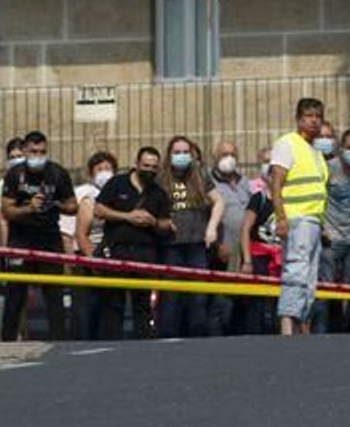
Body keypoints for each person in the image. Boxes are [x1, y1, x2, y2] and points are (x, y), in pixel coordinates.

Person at [0, 131, 78, 341]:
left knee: (54, 294)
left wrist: (56, 203)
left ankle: (58, 342)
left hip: (49, 238)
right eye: (34, 152)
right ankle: (7, 340)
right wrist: (29, 208)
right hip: (21, 239)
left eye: (42, 152)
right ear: (25, 151)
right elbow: (7, 211)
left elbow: (73, 206)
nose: (38, 156)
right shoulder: (15, 174)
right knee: (15, 295)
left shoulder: (58, 173)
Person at [94, 146, 173, 340]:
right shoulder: (117, 183)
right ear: (136, 164)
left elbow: (167, 224)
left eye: (154, 167)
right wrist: (127, 216)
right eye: (146, 166)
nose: (150, 170)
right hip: (117, 250)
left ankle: (143, 345)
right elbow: (99, 210)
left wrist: (153, 222)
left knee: (143, 305)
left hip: (145, 253)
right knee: (113, 304)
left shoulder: (158, 192)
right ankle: (111, 344)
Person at [268, 98, 330, 336]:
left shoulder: (316, 152)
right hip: (297, 219)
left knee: (309, 279)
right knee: (296, 271)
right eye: (309, 116)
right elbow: (276, 183)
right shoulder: (288, 143)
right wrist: (281, 218)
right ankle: (287, 326)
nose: (314, 121)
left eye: (318, 116)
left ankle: (302, 326)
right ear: (298, 119)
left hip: (313, 221)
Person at [159, 135, 224, 338]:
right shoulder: (160, 178)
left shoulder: (200, 175)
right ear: (169, 155)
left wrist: (212, 228)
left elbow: (219, 202)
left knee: (199, 295)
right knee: (171, 296)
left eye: (186, 152)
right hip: (171, 244)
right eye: (177, 152)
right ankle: (169, 337)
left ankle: (197, 335)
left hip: (197, 244)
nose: (182, 156)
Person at [316, 127, 350, 332]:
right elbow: (317, 198)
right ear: (340, 148)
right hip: (331, 236)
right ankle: (319, 335)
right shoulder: (328, 168)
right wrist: (321, 227)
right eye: (349, 148)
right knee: (325, 291)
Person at [72, 151, 116, 340]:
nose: (104, 172)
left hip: (113, 260)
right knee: (87, 310)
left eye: (108, 168)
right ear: (92, 174)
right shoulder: (88, 200)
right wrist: (93, 260)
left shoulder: (119, 198)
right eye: (100, 169)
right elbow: (81, 234)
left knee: (109, 311)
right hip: (90, 260)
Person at [209, 140, 251, 333]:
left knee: (244, 301)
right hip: (223, 251)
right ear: (215, 157)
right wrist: (218, 244)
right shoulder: (210, 183)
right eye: (224, 155)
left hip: (245, 252)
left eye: (233, 155)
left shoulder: (245, 182)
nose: (229, 159)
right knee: (222, 302)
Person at [241, 179, 283, 335]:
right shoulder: (259, 198)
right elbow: (245, 229)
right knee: (258, 301)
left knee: (279, 301)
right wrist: (247, 261)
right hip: (259, 255)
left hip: (282, 256)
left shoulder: (289, 199)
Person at [0, 137, 25, 247]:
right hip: (16, 240)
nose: (16, 160)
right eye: (12, 157)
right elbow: (3, 220)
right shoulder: (2, 185)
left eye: (19, 156)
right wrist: (5, 248)